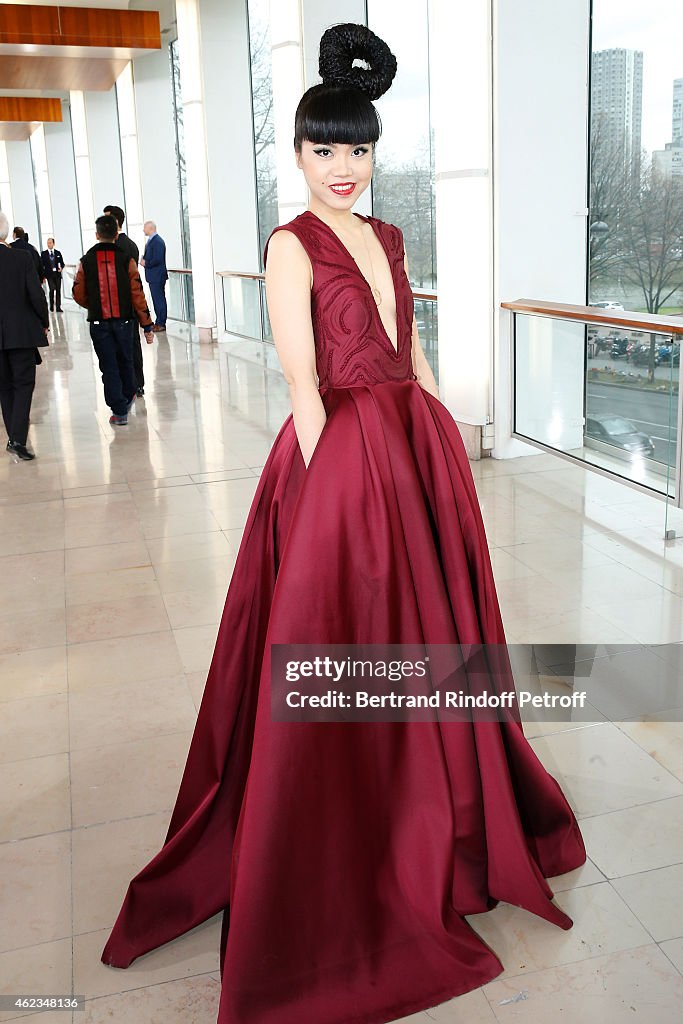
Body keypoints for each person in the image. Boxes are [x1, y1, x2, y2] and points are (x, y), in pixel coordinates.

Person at [101, 24, 586, 1024]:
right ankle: (349, 839)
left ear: (372, 153)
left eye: (356, 149)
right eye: (324, 149)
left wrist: (433, 440)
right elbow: (301, 382)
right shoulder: (290, 244)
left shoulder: (391, 235)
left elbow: (404, 347)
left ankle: (445, 817)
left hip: (411, 445)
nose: (341, 168)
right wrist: (336, 497)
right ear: (297, 154)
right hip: (340, 464)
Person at [73, 214, 154, 425]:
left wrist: (94, 305)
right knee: (126, 360)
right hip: (125, 322)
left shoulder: (86, 260)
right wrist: (147, 325)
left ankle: (119, 411)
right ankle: (128, 395)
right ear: (116, 234)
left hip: (99, 323)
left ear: (98, 234)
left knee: (108, 365)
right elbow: (137, 292)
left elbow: (78, 293)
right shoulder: (126, 260)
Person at [0, 211, 49, 460]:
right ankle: (17, 439)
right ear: (5, 232)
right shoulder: (21, 258)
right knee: (23, 383)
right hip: (21, 332)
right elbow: (36, 295)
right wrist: (44, 321)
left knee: (5, 387)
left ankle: (15, 437)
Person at [103, 204, 146, 397]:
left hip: (116, 304)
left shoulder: (112, 247)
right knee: (133, 344)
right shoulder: (132, 245)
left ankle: (127, 383)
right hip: (131, 303)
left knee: (119, 346)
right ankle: (138, 383)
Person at [141, 220, 168, 332]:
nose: (143, 230)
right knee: (157, 300)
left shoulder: (157, 242)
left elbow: (157, 259)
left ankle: (161, 323)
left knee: (159, 300)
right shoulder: (152, 241)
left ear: (151, 228)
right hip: (154, 276)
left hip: (157, 276)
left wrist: (146, 263)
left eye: (145, 228)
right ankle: (158, 322)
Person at [41, 237, 65, 312]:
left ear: (53, 244)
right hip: (49, 275)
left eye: (50, 243)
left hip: (57, 274)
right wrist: (43, 275)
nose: (49, 244)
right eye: (48, 243)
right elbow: (41, 265)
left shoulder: (58, 253)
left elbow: (62, 263)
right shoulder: (44, 254)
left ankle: (58, 307)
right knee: (52, 288)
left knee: (58, 290)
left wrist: (61, 267)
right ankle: (51, 305)